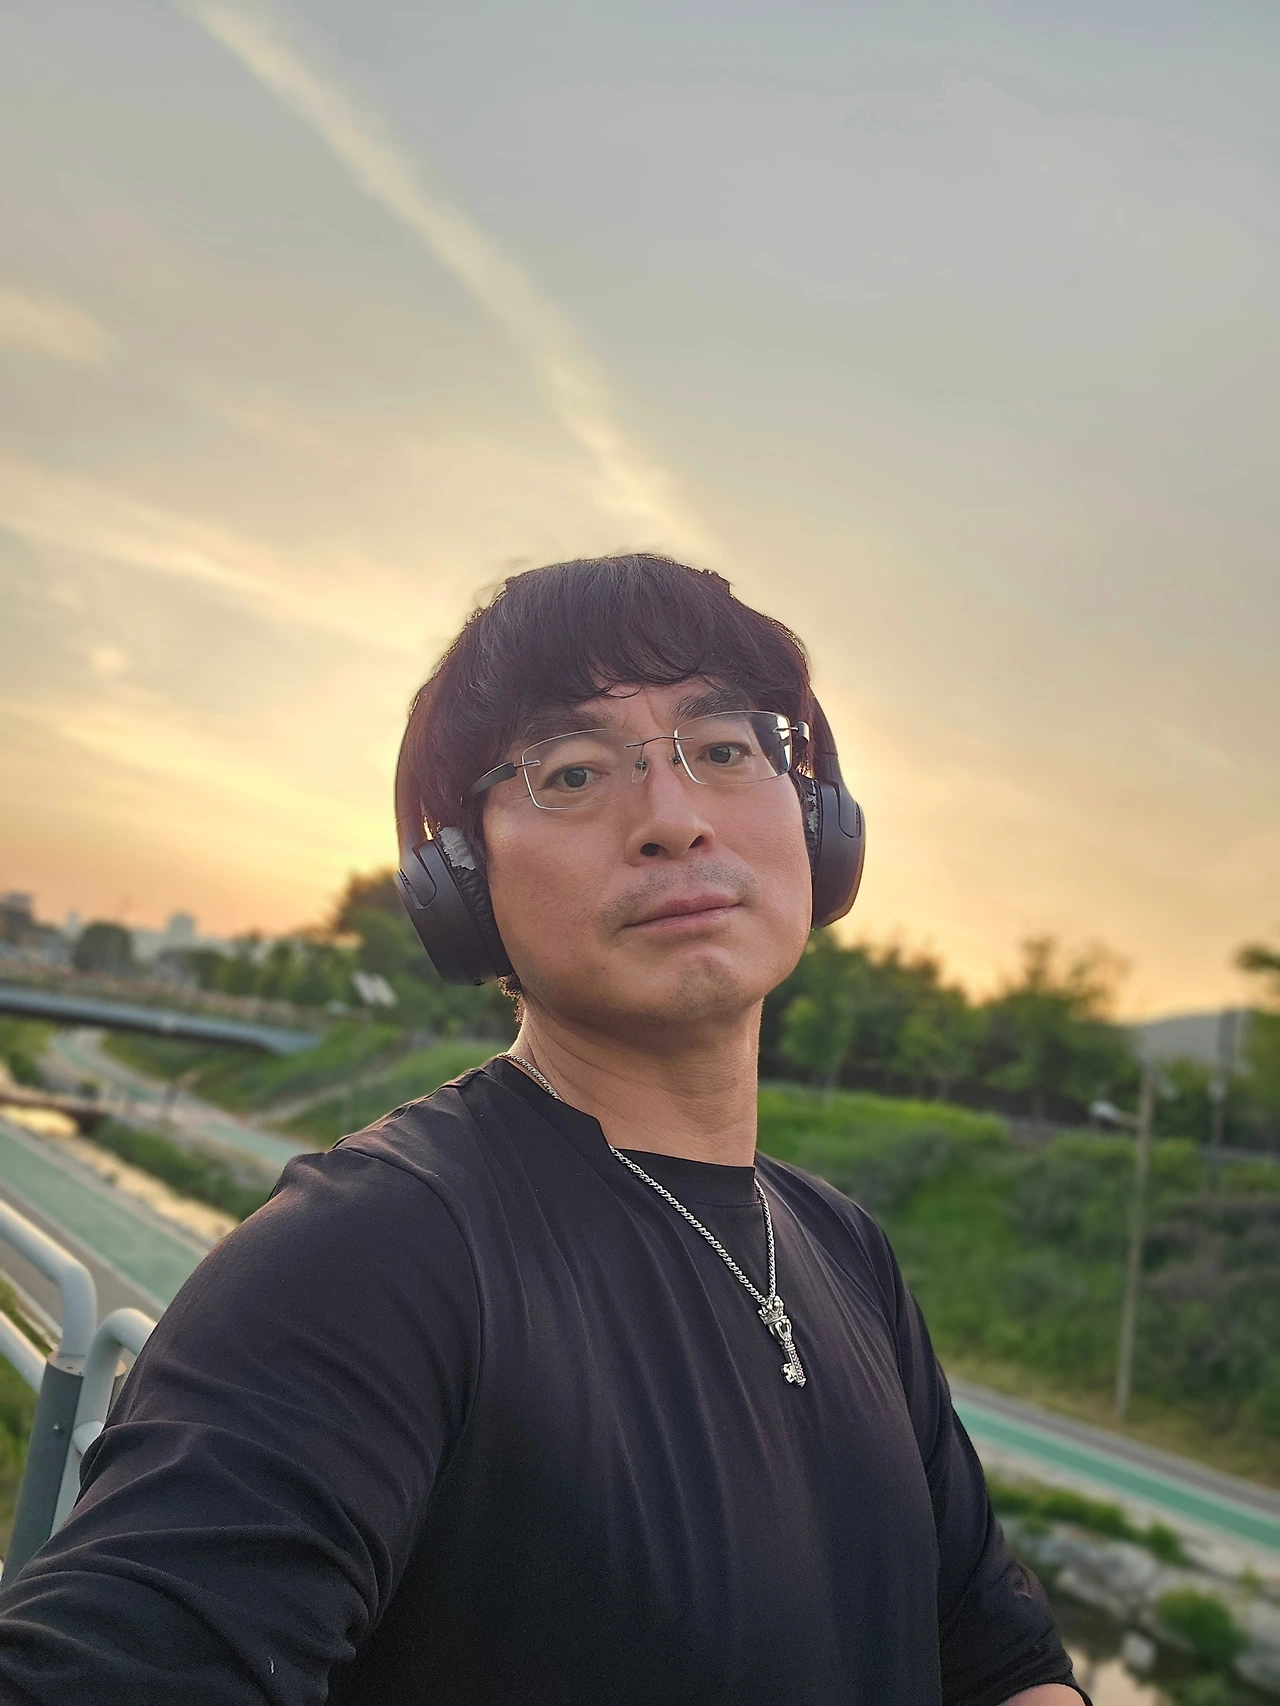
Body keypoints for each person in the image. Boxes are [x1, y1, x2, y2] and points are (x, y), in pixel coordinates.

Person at [0, 555, 1088, 1705]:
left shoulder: (844, 1248)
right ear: (460, 885)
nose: (673, 819)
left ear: (818, 820)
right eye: (570, 772)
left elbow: (1000, 1662)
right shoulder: (370, 1253)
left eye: (723, 749)